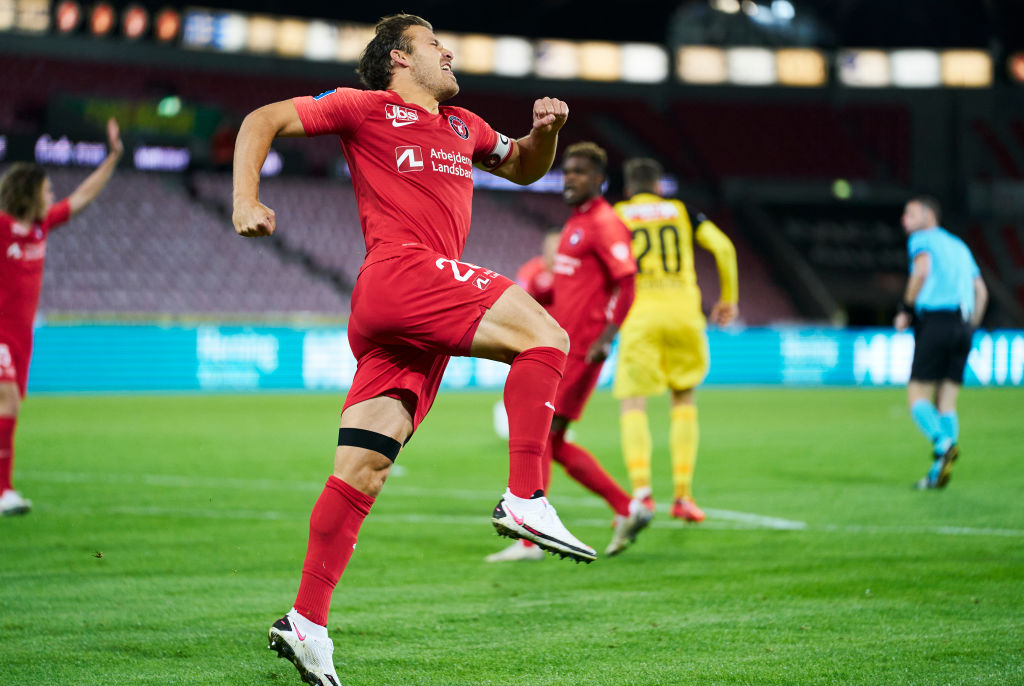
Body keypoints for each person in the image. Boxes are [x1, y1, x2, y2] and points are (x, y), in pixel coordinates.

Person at [231, 14, 595, 685]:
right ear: (399, 58)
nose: (447, 50)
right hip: (401, 274)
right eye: (433, 43)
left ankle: (307, 622)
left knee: (363, 470)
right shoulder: (363, 107)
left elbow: (523, 167)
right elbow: (262, 119)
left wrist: (545, 134)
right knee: (547, 336)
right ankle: (525, 495)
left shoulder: (466, 126)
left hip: (406, 318)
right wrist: (244, 200)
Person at [487, 142, 651, 563]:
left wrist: (606, 338)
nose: (570, 178)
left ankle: (530, 540)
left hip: (583, 348)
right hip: (564, 344)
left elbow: (627, 282)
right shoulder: (577, 224)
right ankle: (627, 507)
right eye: (567, 170)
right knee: (553, 441)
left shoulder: (604, 223)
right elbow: (571, 287)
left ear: (599, 180)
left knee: (542, 434)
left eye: (580, 171)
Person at [0, 119, 123, 517]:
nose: (51, 195)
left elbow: (82, 197)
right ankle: (3, 490)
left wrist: (113, 157)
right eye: (46, 190)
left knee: (10, 406)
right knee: (7, 402)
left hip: (21, 337)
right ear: (27, 193)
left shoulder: (41, 227)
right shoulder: (2, 226)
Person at [613, 158, 738, 523]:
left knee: (633, 403)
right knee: (683, 398)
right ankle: (683, 496)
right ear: (660, 187)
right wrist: (728, 299)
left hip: (639, 315)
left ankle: (642, 495)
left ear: (629, 189)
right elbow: (725, 248)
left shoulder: (618, 215)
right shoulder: (682, 211)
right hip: (684, 313)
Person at [894, 196, 986, 490]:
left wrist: (906, 309)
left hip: (936, 321)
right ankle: (937, 474)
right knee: (946, 401)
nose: (905, 219)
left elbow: (921, 271)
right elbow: (981, 291)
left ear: (929, 216)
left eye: (911, 214)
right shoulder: (960, 246)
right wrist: (970, 327)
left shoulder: (922, 239)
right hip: (963, 325)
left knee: (917, 394)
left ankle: (943, 443)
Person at [493, 230, 561, 440]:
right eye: (552, 246)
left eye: (558, 246)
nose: (555, 251)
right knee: (531, 384)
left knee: (555, 386)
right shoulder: (532, 271)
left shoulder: (569, 272)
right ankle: (514, 418)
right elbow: (519, 301)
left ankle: (551, 430)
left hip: (559, 338)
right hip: (534, 337)